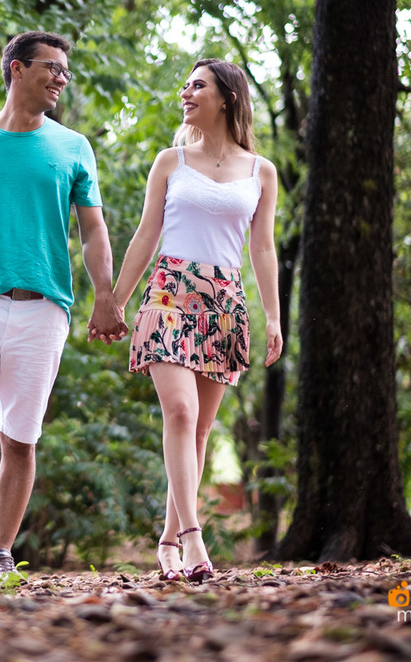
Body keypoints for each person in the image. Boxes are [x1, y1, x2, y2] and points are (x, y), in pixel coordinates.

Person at [0, 31, 128, 580]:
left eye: (65, 70)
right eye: (51, 67)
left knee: (20, 437)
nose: (61, 78)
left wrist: (104, 294)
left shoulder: (73, 147)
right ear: (16, 69)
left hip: (44, 308)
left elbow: (92, 230)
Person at [111, 58, 282, 583]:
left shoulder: (261, 170)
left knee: (203, 428)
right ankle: (193, 539)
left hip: (224, 302)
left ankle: (167, 543)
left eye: (197, 85)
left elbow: (262, 246)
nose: (185, 92)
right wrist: (115, 301)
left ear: (227, 97)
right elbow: (146, 235)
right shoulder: (170, 161)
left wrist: (273, 316)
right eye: (186, 85)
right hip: (169, 294)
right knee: (181, 414)